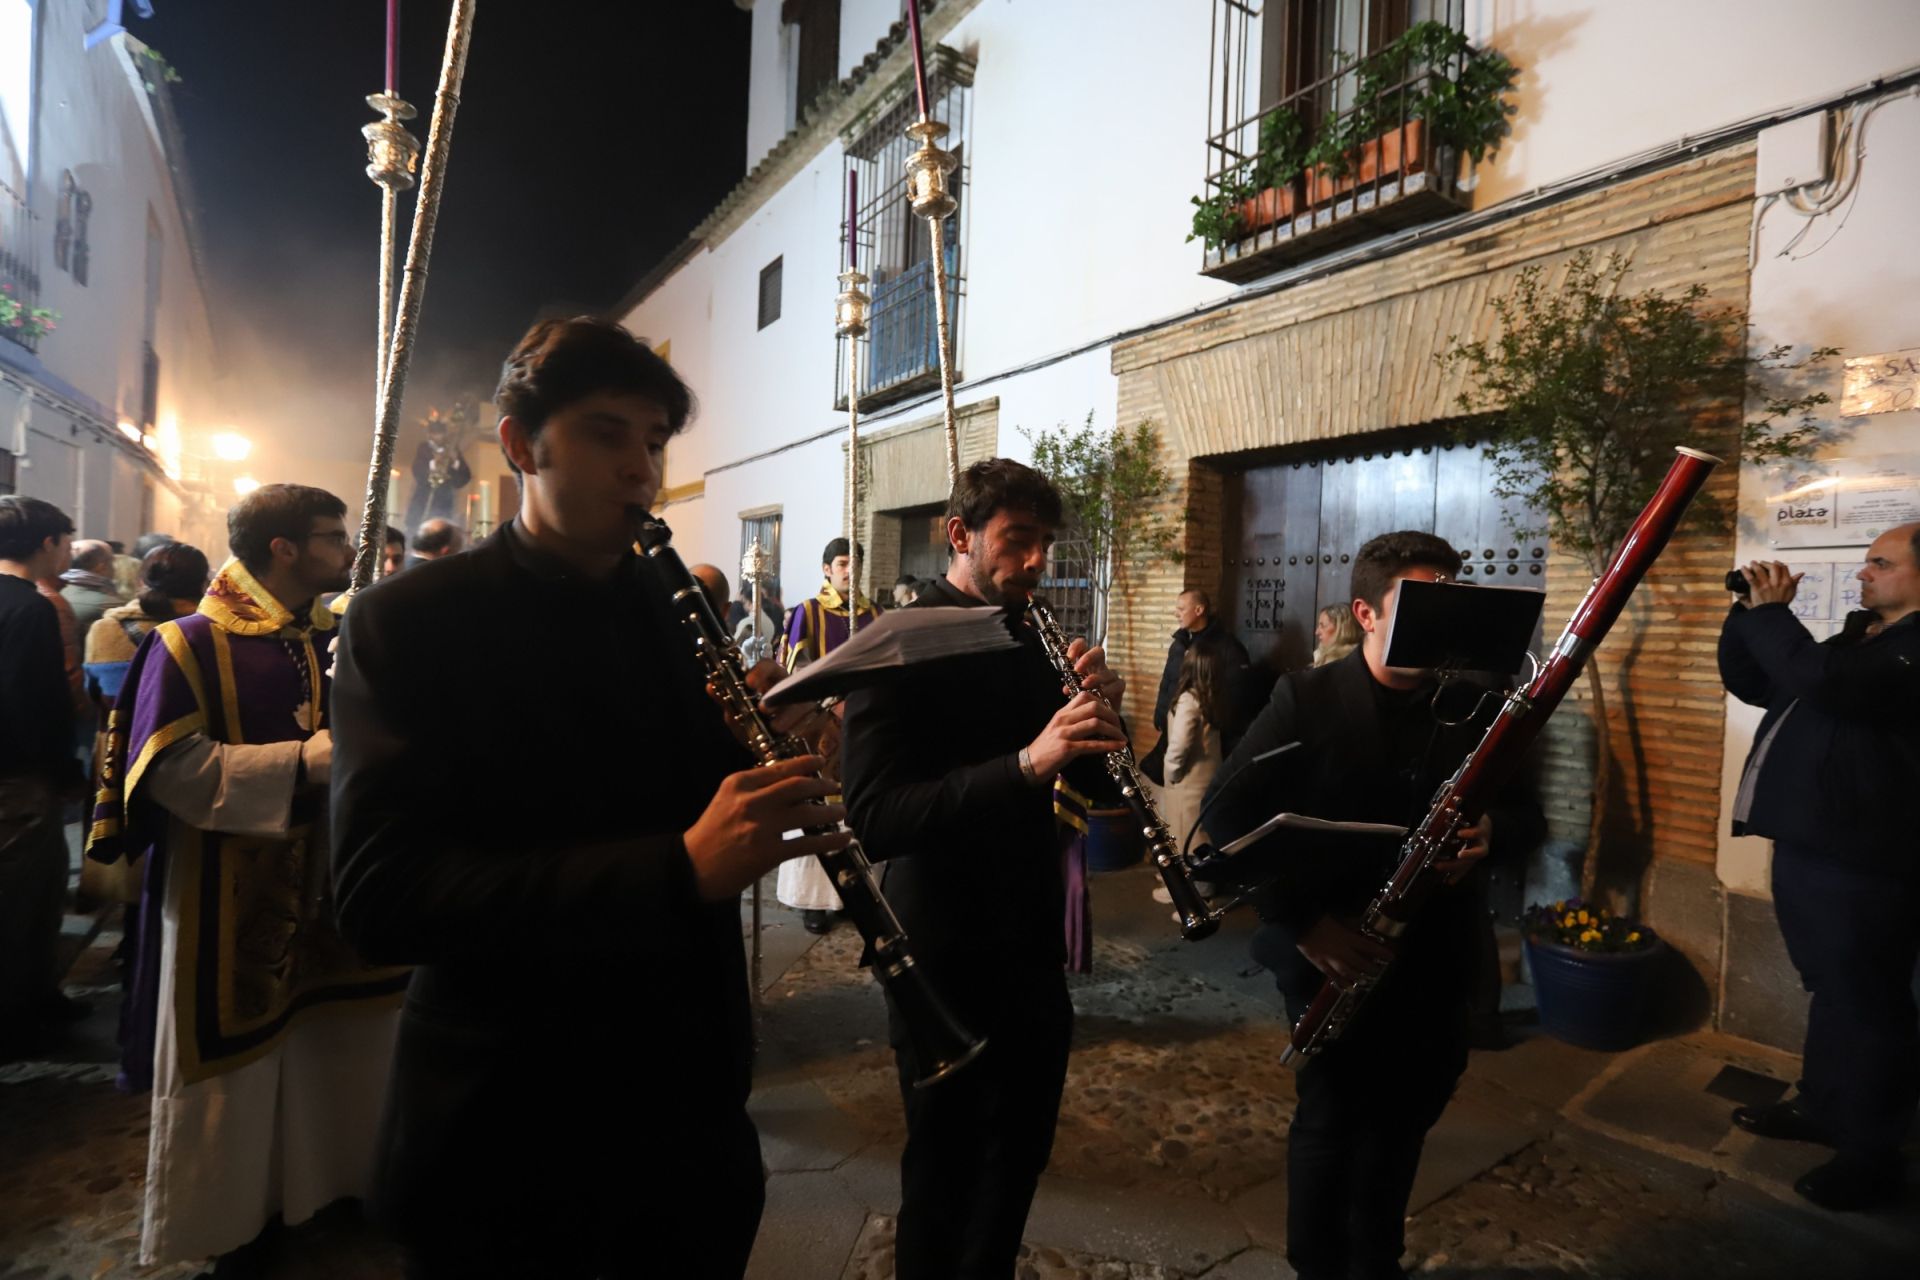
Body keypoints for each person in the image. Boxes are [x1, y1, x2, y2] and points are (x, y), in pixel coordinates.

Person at [330, 316, 843, 1279]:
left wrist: (775, 756)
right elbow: (380, 899)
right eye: (609, 434)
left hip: (686, 1119)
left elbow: (693, 799)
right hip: (509, 1133)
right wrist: (678, 865)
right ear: (524, 445)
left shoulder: (672, 611)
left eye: (653, 442)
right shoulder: (409, 622)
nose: (642, 470)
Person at [83, 483, 406, 1272]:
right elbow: (168, 771)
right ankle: (235, 1217)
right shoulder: (189, 643)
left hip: (335, 877)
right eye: (335, 538)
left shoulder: (343, 633)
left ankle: (337, 1184)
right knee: (243, 1055)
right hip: (227, 888)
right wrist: (305, 760)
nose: (350, 552)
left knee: (347, 1029)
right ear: (283, 549)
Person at [1201, 530, 1536, 1280]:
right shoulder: (1306, 698)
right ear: (1365, 613)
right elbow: (1226, 816)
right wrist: (1303, 921)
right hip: (1333, 949)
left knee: (1407, 1119)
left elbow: (1526, 814)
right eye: (1422, 604)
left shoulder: (1477, 707)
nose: (1442, 623)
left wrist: (1492, 831)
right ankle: (1317, 1266)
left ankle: (1375, 1259)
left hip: (1438, 954)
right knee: (1333, 1117)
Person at [842, 458, 1128, 1280]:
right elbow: (875, 817)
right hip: (941, 946)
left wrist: (1101, 720)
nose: (1036, 560)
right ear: (960, 536)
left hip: (1030, 936)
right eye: (1017, 541)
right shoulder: (897, 644)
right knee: (945, 1164)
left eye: (1044, 542)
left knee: (1019, 1156)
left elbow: (1095, 781)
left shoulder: (1030, 632)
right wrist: (1029, 762)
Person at [1718, 526, 1920, 1212]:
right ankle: (1824, 1108)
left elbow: (1824, 685)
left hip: (1868, 860)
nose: (1864, 572)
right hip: (1813, 847)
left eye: (1881, 563)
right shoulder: (1861, 638)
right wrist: (1746, 614)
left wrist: (1775, 617)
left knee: (1870, 1005)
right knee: (1834, 991)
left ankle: (1872, 1154)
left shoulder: (1911, 650)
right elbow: (1753, 680)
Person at [79, 542, 211, 914]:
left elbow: (94, 696)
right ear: (203, 582)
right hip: (189, 753)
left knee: (125, 851)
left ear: (141, 578)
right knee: (175, 864)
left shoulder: (105, 629)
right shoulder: (207, 632)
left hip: (117, 749)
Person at [0, 496, 86, 1042]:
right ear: (47, 543)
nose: (69, 553)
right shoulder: (30, 608)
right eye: (65, 542)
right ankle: (20, 1011)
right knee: (26, 898)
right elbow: (32, 701)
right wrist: (62, 771)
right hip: (18, 779)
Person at [778, 536, 883, 933]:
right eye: (841, 562)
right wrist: (830, 700)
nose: (848, 569)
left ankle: (848, 894)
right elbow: (795, 670)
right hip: (820, 726)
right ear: (826, 569)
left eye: (855, 561)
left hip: (862, 726)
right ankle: (811, 900)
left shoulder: (873, 613)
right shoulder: (807, 612)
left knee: (856, 810)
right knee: (818, 810)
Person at [1140, 587, 1251, 785]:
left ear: (1199, 610)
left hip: (1205, 740)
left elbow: (1237, 695)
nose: (1176, 613)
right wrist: (1160, 713)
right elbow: (1168, 681)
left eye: (1182, 608)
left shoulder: (1226, 647)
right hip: (1174, 730)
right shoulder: (1179, 643)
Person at [404, 410, 473, 532]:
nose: (438, 436)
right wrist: (434, 463)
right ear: (430, 434)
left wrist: (455, 460)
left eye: (440, 433)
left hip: (444, 504)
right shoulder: (424, 448)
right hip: (423, 502)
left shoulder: (452, 449)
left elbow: (463, 478)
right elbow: (418, 472)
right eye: (435, 433)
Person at [60, 539, 126, 636]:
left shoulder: (50, 590)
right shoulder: (110, 604)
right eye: (111, 562)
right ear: (101, 567)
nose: (114, 568)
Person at [1311, 601, 1362, 667]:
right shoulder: (1320, 655)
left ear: (1341, 628)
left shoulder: (1351, 662)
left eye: (1323, 626)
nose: (1317, 632)